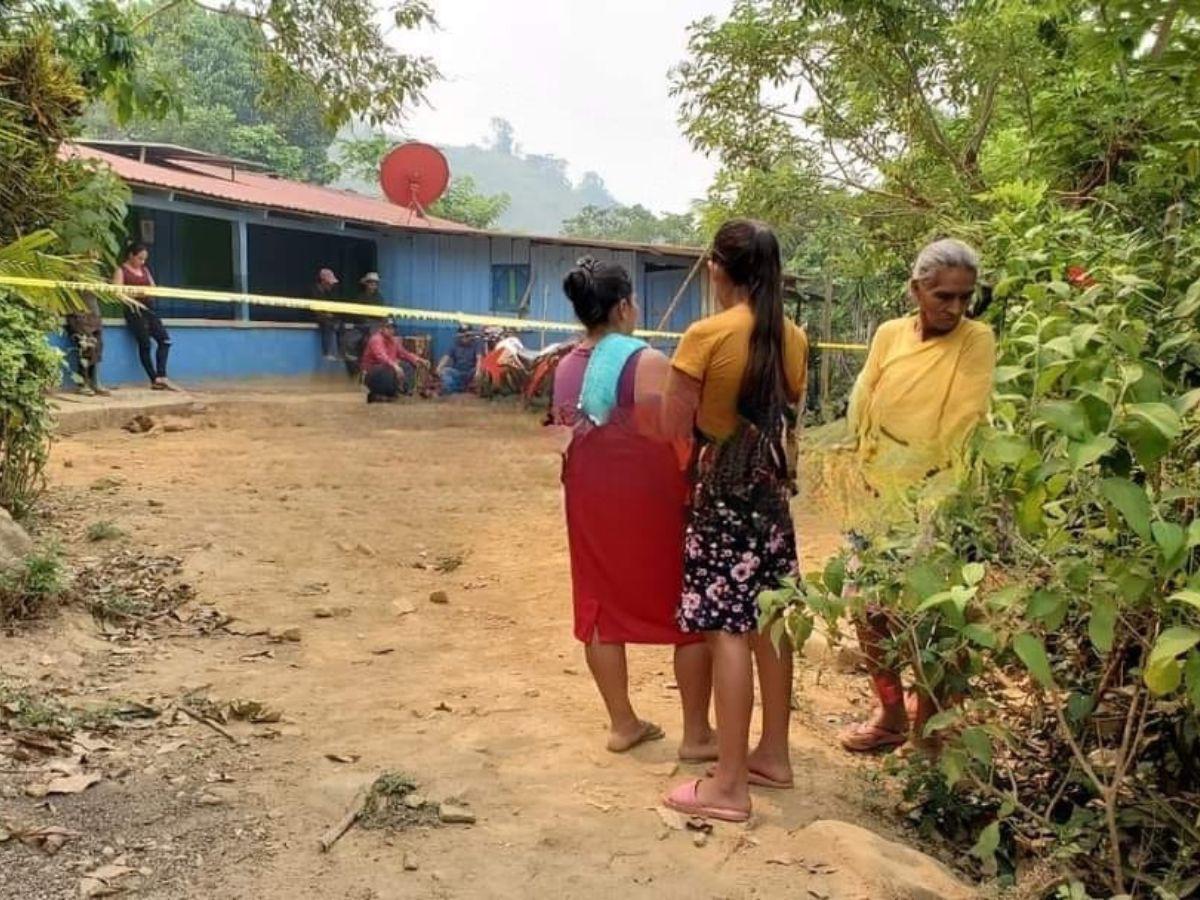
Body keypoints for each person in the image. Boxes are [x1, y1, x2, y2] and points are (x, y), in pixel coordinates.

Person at [662, 220, 809, 823]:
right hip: (771, 501)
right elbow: (788, 417)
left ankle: (727, 784)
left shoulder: (705, 335)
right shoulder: (794, 335)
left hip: (720, 500)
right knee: (769, 622)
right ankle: (771, 754)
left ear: (716, 268)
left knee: (726, 632)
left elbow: (673, 431)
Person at [552, 257, 717, 759]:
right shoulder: (648, 362)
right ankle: (696, 734)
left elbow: (563, 436)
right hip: (654, 502)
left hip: (590, 500)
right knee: (686, 611)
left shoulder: (564, 366)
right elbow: (677, 434)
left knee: (599, 604)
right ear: (624, 306)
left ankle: (623, 723)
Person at [838, 238, 996, 753]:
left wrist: (930, 494)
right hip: (876, 492)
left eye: (963, 298)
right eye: (942, 296)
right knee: (869, 613)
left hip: (937, 498)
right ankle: (888, 714)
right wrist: (862, 459)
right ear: (916, 290)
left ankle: (931, 728)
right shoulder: (889, 334)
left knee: (935, 616)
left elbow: (963, 420)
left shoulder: (976, 340)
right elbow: (865, 394)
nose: (954, 308)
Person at [114, 243, 176, 391]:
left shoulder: (145, 270)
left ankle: (162, 375)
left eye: (144, 259)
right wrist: (136, 294)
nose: (142, 262)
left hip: (149, 308)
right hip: (133, 310)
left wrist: (148, 292)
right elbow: (117, 293)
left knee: (165, 339)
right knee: (145, 343)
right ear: (131, 256)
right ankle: (153, 378)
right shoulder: (121, 271)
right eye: (140, 258)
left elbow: (153, 288)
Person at [360, 319, 430, 403]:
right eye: (388, 328)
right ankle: (381, 394)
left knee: (407, 366)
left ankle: (405, 392)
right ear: (381, 328)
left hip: (387, 371)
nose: (391, 330)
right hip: (371, 373)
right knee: (388, 369)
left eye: (392, 328)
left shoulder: (393, 341)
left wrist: (419, 359)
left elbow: (404, 354)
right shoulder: (376, 339)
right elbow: (381, 356)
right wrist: (395, 366)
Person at [64, 289, 108, 396]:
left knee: (98, 347)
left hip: (94, 314)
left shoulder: (93, 277)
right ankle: (83, 384)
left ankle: (96, 382)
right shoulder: (73, 276)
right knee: (86, 347)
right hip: (77, 314)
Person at [437, 326, 481, 394]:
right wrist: (439, 368)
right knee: (445, 371)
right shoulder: (454, 344)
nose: (465, 338)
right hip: (457, 372)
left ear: (471, 336)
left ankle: (460, 388)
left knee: (482, 370)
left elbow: (479, 358)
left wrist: (478, 371)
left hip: (471, 372)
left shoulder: (476, 344)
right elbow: (446, 357)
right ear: (459, 337)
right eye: (463, 336)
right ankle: (456, 389)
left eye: (467, 336)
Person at [311, 267, 342, 361]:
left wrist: (332, 315)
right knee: (327, 324)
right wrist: (325, 315)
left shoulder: (329, 292)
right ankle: (326, 352)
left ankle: (342, 352)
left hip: (327, 316)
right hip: (315, 316)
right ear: (323, 281)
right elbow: (314, 309)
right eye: (329, 283)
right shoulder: (314, 291)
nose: (331, 285)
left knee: (340, 324)